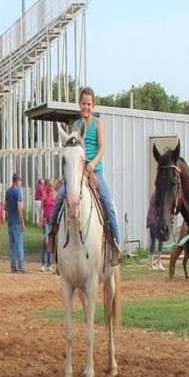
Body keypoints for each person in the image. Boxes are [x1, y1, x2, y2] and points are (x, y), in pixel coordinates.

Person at [48, 86, 122, 265]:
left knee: (108, 203)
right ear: (79, 104)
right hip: (78, 172)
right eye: (83, 103)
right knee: (59, 200)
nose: (86, 107)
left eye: (89, 104)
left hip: (95, 171)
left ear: (93, 105)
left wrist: (93, 164)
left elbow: (102, 148)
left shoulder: (98, 123)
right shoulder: (75, 125)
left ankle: (115, 246)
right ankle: (51, 236)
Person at [5, 173, 25, 272]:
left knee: (12, 245)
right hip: (16, 221)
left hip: (10, 222)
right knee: (19, 245)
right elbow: (19, 207)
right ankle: (20, 265)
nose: (20, 182)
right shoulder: (17, 192)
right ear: (16, 181)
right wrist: (22, 222)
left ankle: (13, 266)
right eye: (19, 181)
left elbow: (5, 206)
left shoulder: (8, 191)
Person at [147, 191, 165, 271]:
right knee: (156, 240)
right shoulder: (157, 195)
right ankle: (153, 263)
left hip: (155, 220)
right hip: (154, 220)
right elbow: (159, 208)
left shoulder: (157, 194)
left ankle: (156, 263)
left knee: (158, 241)